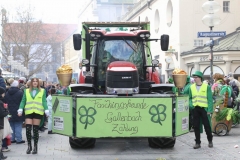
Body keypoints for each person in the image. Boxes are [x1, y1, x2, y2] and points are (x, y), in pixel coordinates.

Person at [18, 78, 49, 154]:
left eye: (36, 81)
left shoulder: (42, 91)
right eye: (33, 81)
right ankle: (29, 146)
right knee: (28, 129)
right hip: (28, 111)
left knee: (35, 130)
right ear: (31, 83)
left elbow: (44, 101)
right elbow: (23, 100)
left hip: (38, 112)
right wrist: (20, 109)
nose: (35, 83)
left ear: (38, 83)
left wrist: (46, 110)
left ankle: (35, 146)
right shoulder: (26, 91)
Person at [189, 71, 213, 149]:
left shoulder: (207, 87)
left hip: (204, 110)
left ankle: (210, 141)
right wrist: (191, 105)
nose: (194, 79)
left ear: (200, 78)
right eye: (194, 77)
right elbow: (189, 98)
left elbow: (210, 99)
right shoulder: (191, 87)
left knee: (207, 126)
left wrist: (209, 110)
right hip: (195, 109)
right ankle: (197, 143)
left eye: (196, 77)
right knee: (196, 126)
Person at [0, 86, 8, 159]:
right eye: (3, 93)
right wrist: (6, 110)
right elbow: (2, 114)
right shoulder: (0, 102)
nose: (4, 95)